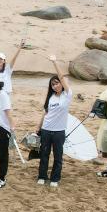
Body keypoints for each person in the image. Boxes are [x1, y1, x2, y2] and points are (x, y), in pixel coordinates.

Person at [35, 55, 72, 187]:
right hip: (46, 130)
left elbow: (62, 77)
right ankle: (42, 176)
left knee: (58, 156)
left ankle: (55, 178)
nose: (56, 86)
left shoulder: (67, 95)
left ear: (62, 84)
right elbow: (46, 113)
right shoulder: (50, 97)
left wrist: (54, 62)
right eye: (53, 84)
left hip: (58, 132)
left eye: (57, 83)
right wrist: (39, 127)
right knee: (44, 154)